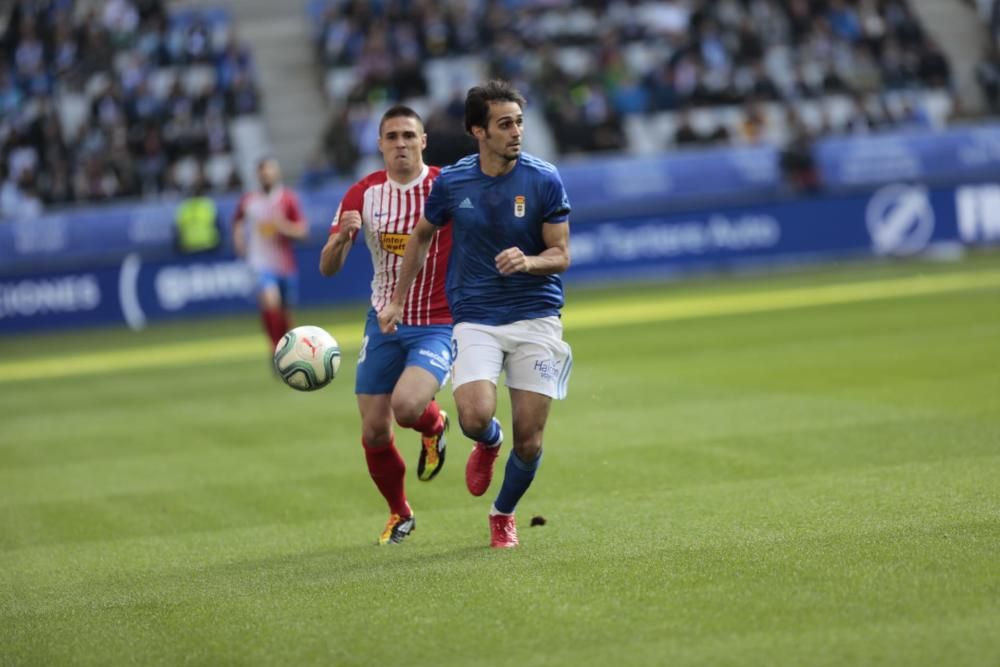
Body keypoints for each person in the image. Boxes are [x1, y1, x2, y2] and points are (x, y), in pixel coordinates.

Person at [379, 80, 573, 549]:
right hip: (477, 317)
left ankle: (502, 513)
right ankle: (488, 440)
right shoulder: (453, 182)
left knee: (530, 442)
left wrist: (528, 261)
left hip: (536, 316)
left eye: (520, 123)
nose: (516, 132)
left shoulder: (543, 178)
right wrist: (399, 298)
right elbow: (422, 237)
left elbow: (561, 253)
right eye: (505, 124)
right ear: (478, 131)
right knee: (472, 416)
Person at [319, 105, 452, 546]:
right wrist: (340, 239)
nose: (400, 144)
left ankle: (434, 427)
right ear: (379, 145)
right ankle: (400, 513)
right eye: (392, 136)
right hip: (382, 323)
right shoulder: (363, 193)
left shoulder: (445, 187)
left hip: (437, 320)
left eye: (408, 136)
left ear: (423, 141)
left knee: (407, 407)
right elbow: (328, 268)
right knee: (374, 430)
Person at [232, 157, 308, 354]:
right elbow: (237, 221)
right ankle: (275, 347)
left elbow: (302, 231)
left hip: (284, 264)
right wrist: (239, 240)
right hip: (260, 263)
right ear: (258, 175)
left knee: (286, 315)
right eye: (262, 171)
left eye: (269, 171)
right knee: (269, 300)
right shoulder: (249, 200)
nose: (266, 175)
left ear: (276, 173)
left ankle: (287, 349)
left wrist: (284, 227)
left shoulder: (288, 199)